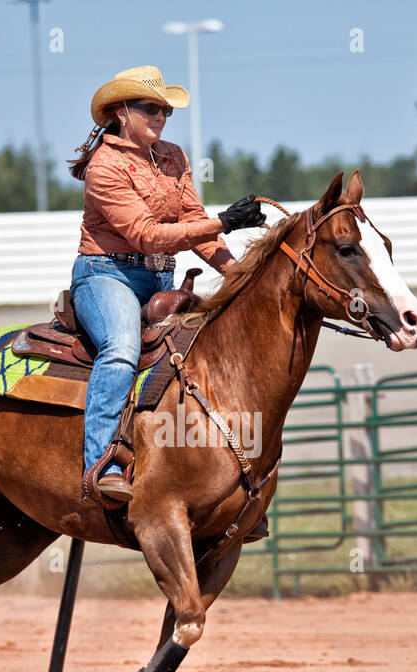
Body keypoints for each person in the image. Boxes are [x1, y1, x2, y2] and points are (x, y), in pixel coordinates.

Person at [68, 65, 266, 503]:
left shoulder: (174, 155)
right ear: (121, 112)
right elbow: (147, 235)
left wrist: (238, 274)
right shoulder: (105, 166)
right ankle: (99, 465)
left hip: (160, 276)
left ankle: (218, 485)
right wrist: (225, 221)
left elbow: (195, 225)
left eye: (165, 111)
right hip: (106, 276)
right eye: (150, 108)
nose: (160, 116)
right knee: (121, 348)